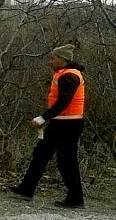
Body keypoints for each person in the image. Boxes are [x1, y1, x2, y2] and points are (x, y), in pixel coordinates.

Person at [9, 44, 86, 209]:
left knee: (66, 161)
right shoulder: (65, 74)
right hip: (61, 123)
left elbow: (64, 101)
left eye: (53, 58)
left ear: (62, 59)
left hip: (68, 125)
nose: (50, 61)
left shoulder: (69, 76)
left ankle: (76, 198)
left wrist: (43, 117)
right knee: (41, 154)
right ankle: (26, 189)